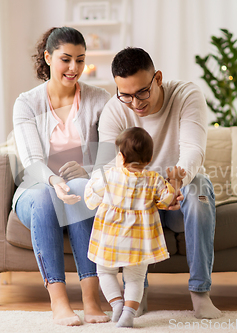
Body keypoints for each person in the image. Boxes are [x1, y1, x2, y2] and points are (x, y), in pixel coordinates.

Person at [95, 47, 222, 320]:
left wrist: (176, 184)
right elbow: (106, 167)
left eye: (142, 92)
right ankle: (135, 294)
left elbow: (193, 150)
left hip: (176, 199)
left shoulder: (186, 94)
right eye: (126, 95)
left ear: (158, 78)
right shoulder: (115, 110)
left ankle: (200, 293)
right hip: (137, 206)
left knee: (199, 189)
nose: (135, 103)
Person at [12, 27, 111, 326]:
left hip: (81, 190)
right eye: (65, 59)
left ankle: (91, 300)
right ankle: (59, 302)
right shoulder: (27, 103)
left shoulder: (99, 99)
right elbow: (31, 162)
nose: (74, 68)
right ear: (48, 57)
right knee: (44, 193)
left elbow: (109, 157)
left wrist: (89, 172)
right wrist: (54, 181)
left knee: (82, 187)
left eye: (80, 60)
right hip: (37, 192)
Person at [85, 127, 183, 328]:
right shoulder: (154, 179)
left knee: (104, 272)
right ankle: (129, 312)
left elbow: (91, 199)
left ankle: (117, 304)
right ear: (150, 158)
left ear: (120, 157)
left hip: (110, 239)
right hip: (139, 242)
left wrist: (92, 181)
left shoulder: (108, 176)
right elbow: (167, 200)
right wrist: (173, 182)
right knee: (136, 278)